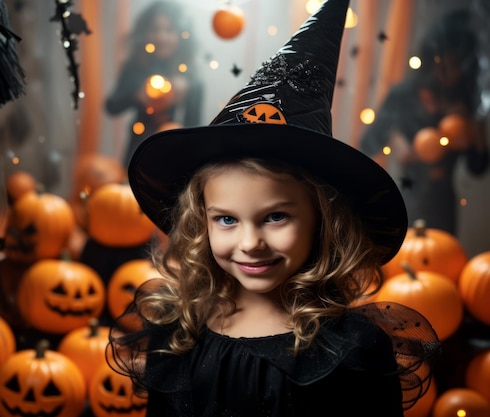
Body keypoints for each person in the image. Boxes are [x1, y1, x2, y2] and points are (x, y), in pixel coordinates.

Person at [107, 1, 440, 416]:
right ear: (201, 221)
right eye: (226, 219)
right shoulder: (178, 333)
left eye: (276, 216)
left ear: (323, 219)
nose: (250, 243)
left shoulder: (351, 347)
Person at [359, 8, 488, 235]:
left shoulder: (464, 103)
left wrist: (475, 133)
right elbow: (367, 144)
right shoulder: (404, 94)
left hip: (444, 204)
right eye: (442, 64)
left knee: (440, 259)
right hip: (404, 197)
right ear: (430, 60)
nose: (448, 72)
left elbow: (477, 168)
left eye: (456, 65)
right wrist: (394, 138)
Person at [105, 0, 204, 166]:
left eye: (169, 30)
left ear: (181, 34)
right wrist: (136, 95)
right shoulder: (137, 66)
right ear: (145, 32)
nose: (161, 37)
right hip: (139, 150)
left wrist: (188, 90)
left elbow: (195, 127)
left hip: (177, 154)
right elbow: (111, 105)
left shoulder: (190, 75)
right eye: (155, 29)